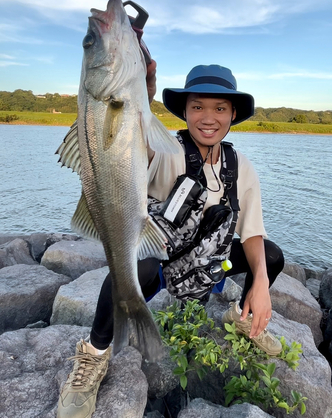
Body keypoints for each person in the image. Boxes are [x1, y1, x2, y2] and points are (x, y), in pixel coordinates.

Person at [57, 61, 284, 418]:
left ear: (233, 114)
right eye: (198, 107)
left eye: (220, 108)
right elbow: (128, 140)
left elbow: (252, 232)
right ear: (185, 111)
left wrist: (261, 286)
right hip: (164, 268)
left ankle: (240, 315)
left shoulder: (241, 166)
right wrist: (140, 91)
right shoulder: (166, 150)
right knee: (132, 269)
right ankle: (94, 355)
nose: (208, 118)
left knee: (269, 257)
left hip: (214, 266)